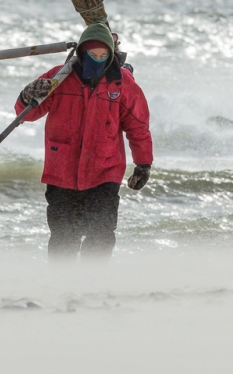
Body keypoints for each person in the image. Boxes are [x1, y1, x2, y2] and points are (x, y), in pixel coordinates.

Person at [16, 21, 153, 261]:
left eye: (103, 55)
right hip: (62, 172)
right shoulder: (59, 77)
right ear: (81, 52)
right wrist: (27, 94)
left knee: (101, 235)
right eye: (92, 54)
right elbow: (28, 113)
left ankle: (92, 285)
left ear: (111, 54)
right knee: (63, 237)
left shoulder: (122, 83)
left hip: (104, 171)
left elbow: (138, 126)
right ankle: (62, 288)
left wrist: (143, 165)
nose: (98, 60)